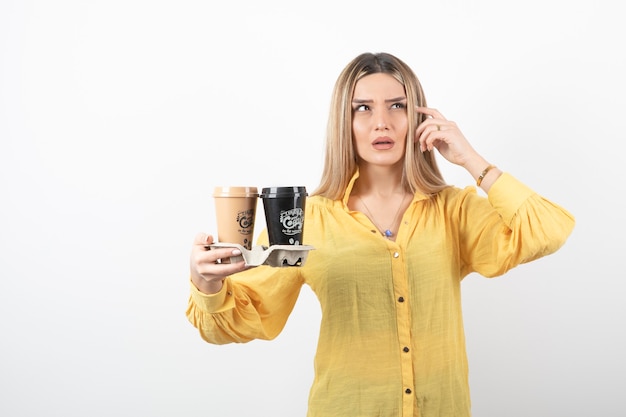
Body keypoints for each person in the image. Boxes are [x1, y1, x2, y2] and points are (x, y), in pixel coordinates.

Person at [186, 52, 575, 417]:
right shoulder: (305, 218)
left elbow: (547, 230)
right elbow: (242, 319)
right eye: (362, 108)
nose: (382, 123)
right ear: (345, 121)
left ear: (419, 117)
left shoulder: (454, 210)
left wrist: (471, 160)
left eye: (397, 105)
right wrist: (207, 284)